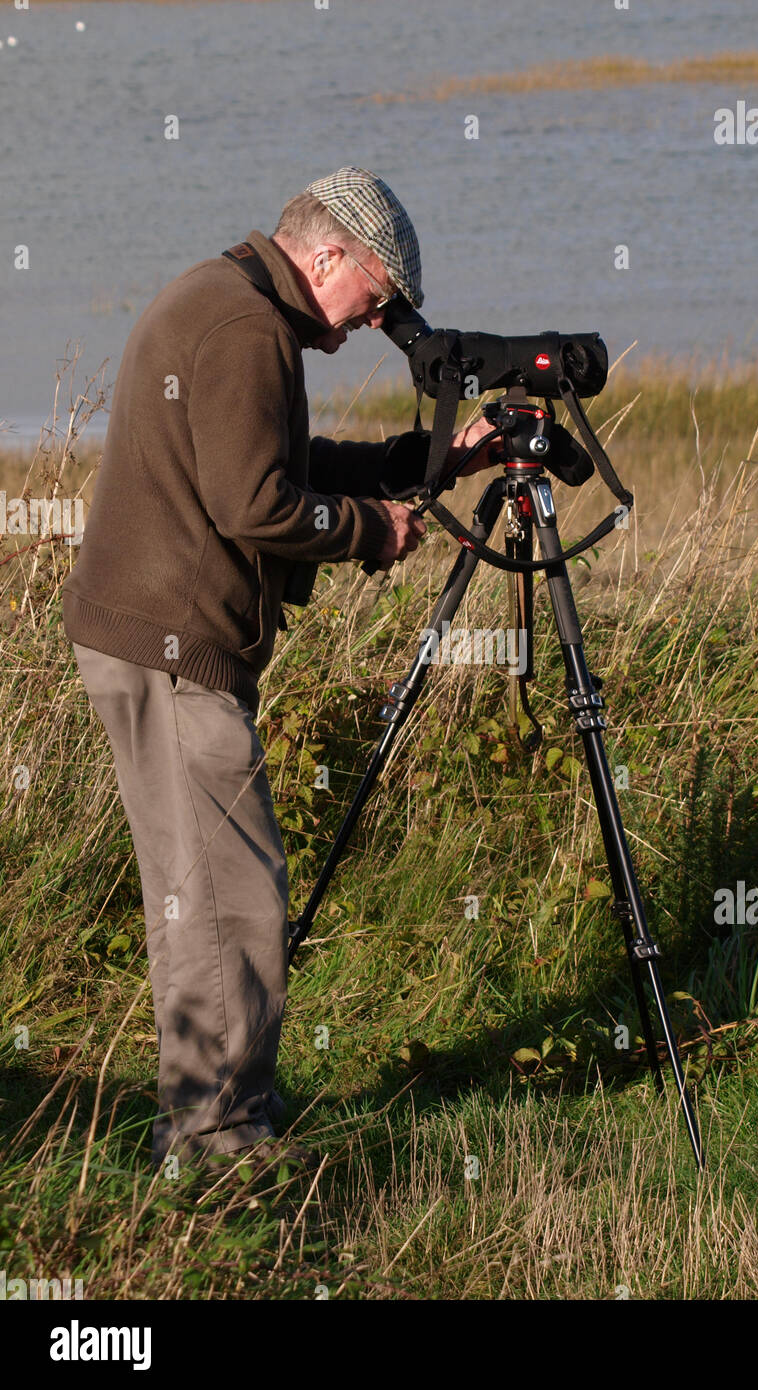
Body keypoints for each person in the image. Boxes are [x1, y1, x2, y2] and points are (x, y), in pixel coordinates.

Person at [62, 168, 496, 1170]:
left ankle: (207, 1111)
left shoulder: (227, 300)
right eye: (377, 298)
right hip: (172, 650)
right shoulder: (246, 329)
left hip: (143, 635)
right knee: (234, 892)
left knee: (194, 889)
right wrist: (369, 533)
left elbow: (280, 465)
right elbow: (257, 505)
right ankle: (220, 1140)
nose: (373, 324)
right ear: (330, 254)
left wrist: (429, 466)